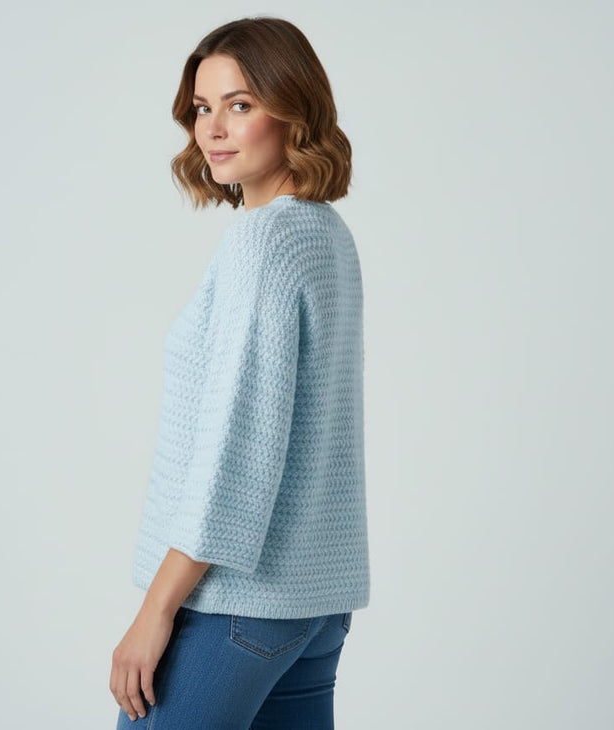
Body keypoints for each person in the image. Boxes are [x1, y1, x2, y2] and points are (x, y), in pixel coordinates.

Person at [111, 16, 370, 729]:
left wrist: (156, 610)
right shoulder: (324, 233)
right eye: (203, 107)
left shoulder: (263, 243)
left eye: (241, 103)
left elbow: (238, 451)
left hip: (233, 608)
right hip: (311, 604)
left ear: (293, 109)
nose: (214, 129)